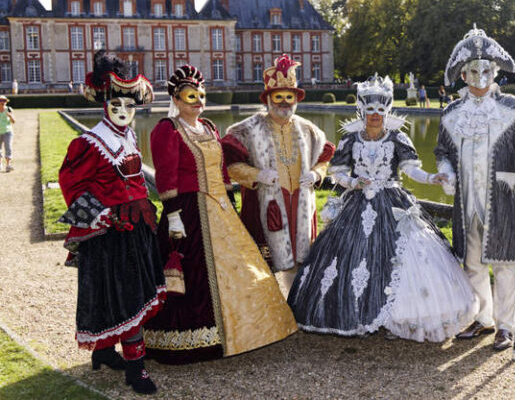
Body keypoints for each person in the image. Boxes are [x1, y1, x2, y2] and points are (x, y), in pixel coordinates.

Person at [288, 75, 476, 341]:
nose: (374, 115)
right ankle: (360, 314)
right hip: (357, 203)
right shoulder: (350, 139)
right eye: (370, 110)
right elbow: (337, 172)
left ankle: (400, 316)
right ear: (362, 111)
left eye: (379, 110)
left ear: (387, 111)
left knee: (402, 256)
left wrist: (432, 178)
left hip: (392, 202)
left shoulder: (398, 138)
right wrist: (353, 182)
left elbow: (411, 169)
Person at [144, 65, 297, 364]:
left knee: (246, 267)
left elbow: (222, 170)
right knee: (193, 277)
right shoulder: (167, 129)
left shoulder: (211, 127)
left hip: (220, 208)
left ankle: (252, 331)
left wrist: (232, 198)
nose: (197, 102)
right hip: (188, 211)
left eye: (201, 95)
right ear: (175, 99)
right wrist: (173, 214)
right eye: (190, 96)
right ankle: (195, 340)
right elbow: (166, 174)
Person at [435, 26, 515, 355]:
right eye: (472, 70)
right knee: (472, 263)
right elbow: (442, 152)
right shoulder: (451, 114)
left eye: (486, 69)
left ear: (495, 71)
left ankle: (506, 326)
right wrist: (446, 172)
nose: (479, 76)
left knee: (506, 263)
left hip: (506, 198)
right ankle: (482, 318)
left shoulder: (514, 108)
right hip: (467, 198)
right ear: (463, 74)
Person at [58, 50, 165, 395]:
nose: (123, 113)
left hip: (137, 228)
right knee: (126, 296)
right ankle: (136, 371)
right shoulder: (88, 143)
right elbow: (71, 186)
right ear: (105, 104)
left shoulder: (129, 137)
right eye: (117, 106)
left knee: (124, 293)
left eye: (130, 108)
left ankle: (104, 352)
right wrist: (103, 216)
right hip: (109, 233)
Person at [222, 54, 336, 295]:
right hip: (267, 204)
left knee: (301, 261)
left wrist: (316, 174)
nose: (284, 102)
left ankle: (299, 300)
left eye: (289, 97)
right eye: (279, 97)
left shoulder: (308, 129)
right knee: (267, 264)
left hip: (302, 205)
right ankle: (270, 308)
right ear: (268, 99)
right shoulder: (247, 129)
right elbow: (231, 165)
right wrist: (257, 174)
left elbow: (324, 159)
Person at [0, 95, 15, 172]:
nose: (3, 102)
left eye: (4, 101)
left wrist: (11, 116)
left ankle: (8, 165)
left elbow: (14, 121)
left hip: (8, 131)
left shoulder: (9, 109)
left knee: (8, 147)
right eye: (1, 100)